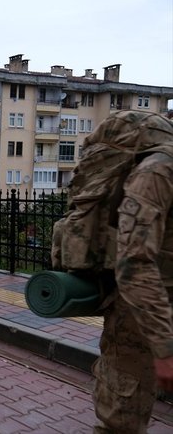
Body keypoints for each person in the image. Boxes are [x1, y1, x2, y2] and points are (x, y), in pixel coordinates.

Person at [91, 113, 173, 433]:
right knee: (122, 424)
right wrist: (164, 346)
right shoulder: (158, 171)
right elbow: (134, 263)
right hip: (138, 323)